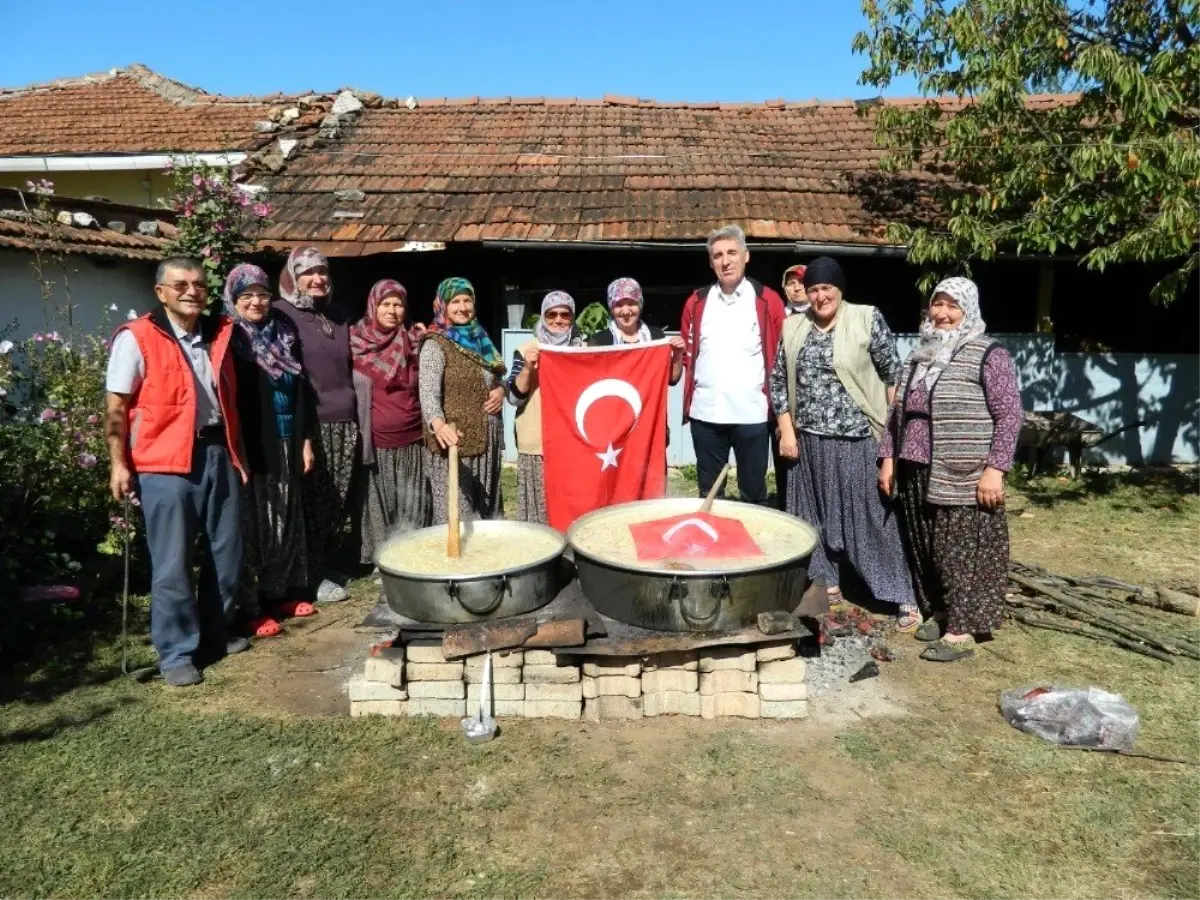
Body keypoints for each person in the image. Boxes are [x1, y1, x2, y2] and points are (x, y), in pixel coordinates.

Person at [104, 256, 249, 687]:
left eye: (200, 284)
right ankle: (177, 653)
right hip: (163, 462)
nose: (192, 291)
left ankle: (214, 634)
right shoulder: (137, 338)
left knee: (228, 554)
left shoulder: (220, 333)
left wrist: (238, 455)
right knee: (172, 562)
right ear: (161, 292)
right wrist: (117, 463)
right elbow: (116, 407)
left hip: (217, 452)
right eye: (181, 284)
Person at [879, 277, 1022, 661]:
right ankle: (941, 610)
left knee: (960, 549)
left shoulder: (989, 354)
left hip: (963, 470)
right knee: (927, 546)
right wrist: (889, 458)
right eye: (936, 304)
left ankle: (962, 628)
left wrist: (995, 470)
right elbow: (897, 414)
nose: (941, 314)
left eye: (951, 306)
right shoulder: (920, 354)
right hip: (916, 465)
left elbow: (1009, 415)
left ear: (967, 311)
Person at [770, 256, 918, 626]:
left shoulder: (867, 318)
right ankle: (828, 582)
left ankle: (901, 594)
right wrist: (787, 430)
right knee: (811, 518)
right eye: (814, 289)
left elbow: (892, 378)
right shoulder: (792, 327)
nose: (820, 296)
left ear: (840, 289)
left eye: (827, 288)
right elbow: (777, 383)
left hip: (857, 439)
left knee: (870, 517)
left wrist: (891, 442)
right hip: (808, 441)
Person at [223, 264, 317, 638]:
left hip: (287, 438)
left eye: (262, 294)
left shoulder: (285, 331)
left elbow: (303, 390)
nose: (257, 302)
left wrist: (306, 440)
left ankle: (281, 592)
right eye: (247, 296)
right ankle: (251, 606)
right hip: (252, 444)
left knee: (286, 519)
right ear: (233, 299)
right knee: (253, 524)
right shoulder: (229, 339)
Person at [681, 224, 786, 505]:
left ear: (746, 256)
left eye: (731, 253)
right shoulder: (696, 302)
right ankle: (715, 548)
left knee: (753, 496)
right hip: (706, 414)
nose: (725, 261)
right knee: (710, 496)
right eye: (717, 255)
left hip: (751, 415)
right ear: (710, 261)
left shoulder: (768, 300)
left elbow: (781, 357)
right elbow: (687, 354)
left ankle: (752, 549)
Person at [273, 247, 353, 602]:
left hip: (347, 419)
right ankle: (311, 576)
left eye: (323, 272)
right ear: (293, 277)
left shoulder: (337, 315)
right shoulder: (280, 315)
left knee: (335, 500)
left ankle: (326, 563)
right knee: (311, 500)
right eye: (308, 273)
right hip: (312, 423)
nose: (318, 279)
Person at [352, 279, 431, 561]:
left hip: (413, 437)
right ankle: (381, 556)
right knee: (380, 503)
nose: (392, 310)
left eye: (398, 304)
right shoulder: (356, 342)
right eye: (386, 304)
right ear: (373, 306)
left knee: (412, 500)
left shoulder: (416, 341)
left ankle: (412, 553)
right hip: (376, 440)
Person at [419, 278, 506, 523]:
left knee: (486, 516)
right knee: (456, 517)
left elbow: (498, 378)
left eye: (467, 300)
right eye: (455, 301)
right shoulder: (435, 344)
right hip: (455, 445)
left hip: (486, 443)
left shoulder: (480, 339)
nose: (462, 307)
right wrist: (439, 426)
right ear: (442, 306)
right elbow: (428, 393)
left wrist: (501, 391)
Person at [507, 290, 583, 523]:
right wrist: (529, 368)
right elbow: (513, 398)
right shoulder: (526, 349)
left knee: (572, 510)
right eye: (551, 315)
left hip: (574, 444)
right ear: (542, 316)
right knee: (540, 516)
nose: (558, 320)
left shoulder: (584, 349)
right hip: (538, 445)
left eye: (564, 315)